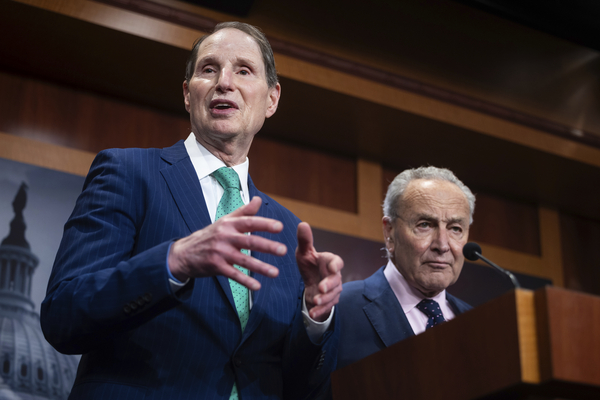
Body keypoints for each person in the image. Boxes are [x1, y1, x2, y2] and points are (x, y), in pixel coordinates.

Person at [41, 22, 343, 400]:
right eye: (208, 69)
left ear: (272, 99)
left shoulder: (288, 231)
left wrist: (314, 317)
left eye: (244, 70)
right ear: (188, 94)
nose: (224, 82)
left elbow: (302, 387)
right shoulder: (129, 173)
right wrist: (175, 261)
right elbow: (63, 315)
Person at [336, 166, 473, 370]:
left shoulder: (476, 323)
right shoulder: (341, 307)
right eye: (425, 225)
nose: (443, 245)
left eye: (455, 229)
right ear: (389, 232)